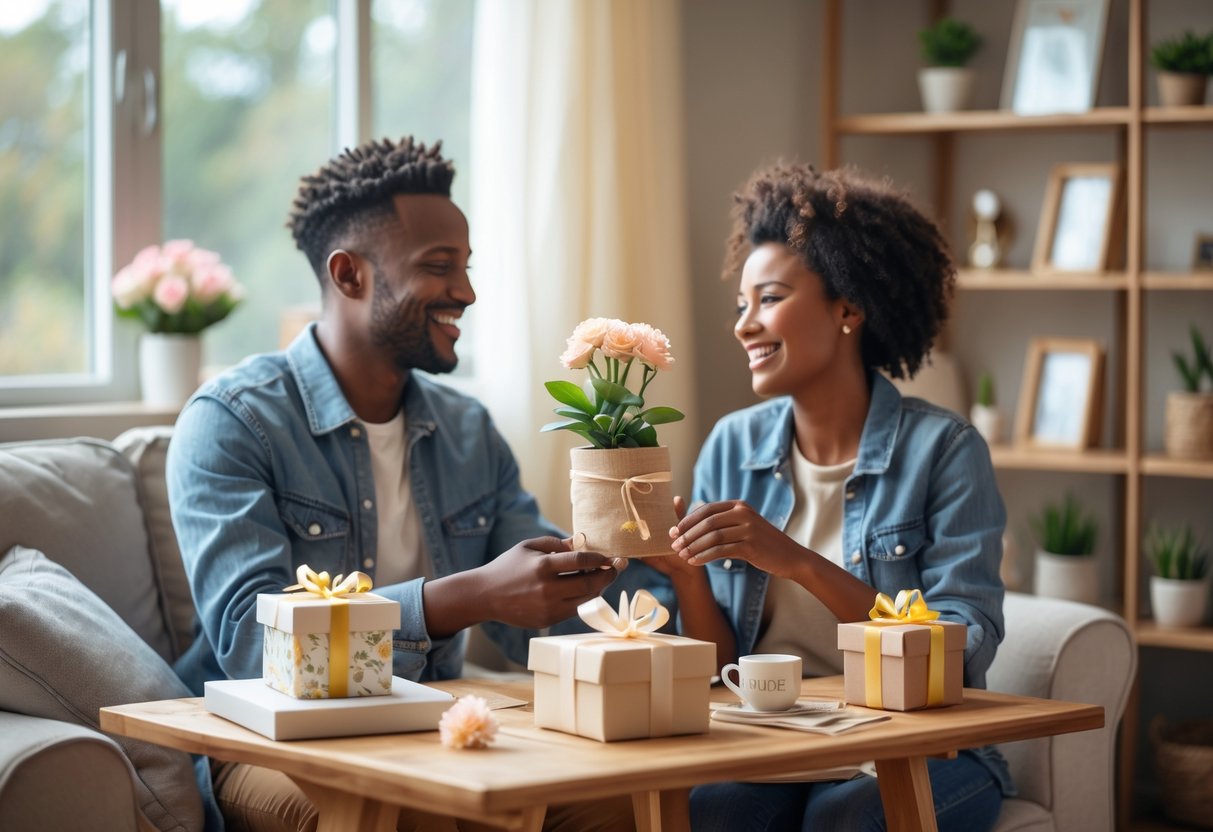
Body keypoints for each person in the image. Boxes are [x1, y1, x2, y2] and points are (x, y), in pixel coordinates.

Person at [167, 136, 651, 832]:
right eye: (438, 266)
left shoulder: (466, 430)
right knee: (410, 813)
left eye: (467, 266)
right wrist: (466, 597)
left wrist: (629, 564)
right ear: (348, 275)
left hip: (434, 728)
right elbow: (254, 645)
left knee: (615, 801)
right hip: (269, 739)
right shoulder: (232, 422)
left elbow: (534, 625)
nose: (467, 292)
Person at [652, 162, 1011, 831]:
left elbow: (954, 656)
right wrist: (686, 579)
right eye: (741, 305)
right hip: (781, 741)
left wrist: (797, 561)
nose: (743, 326)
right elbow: (719, 671)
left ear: (846, 307)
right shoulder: (731, 447)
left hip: (921, 745)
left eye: (769, 299)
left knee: (845, 819)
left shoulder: (944, 452)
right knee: (710, 812)